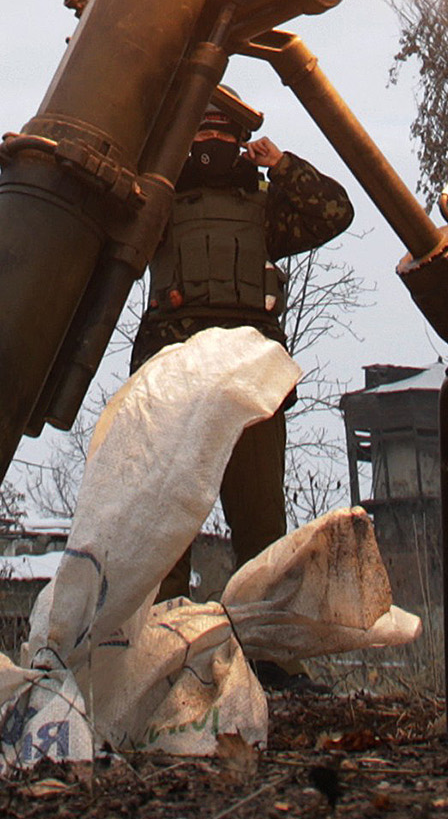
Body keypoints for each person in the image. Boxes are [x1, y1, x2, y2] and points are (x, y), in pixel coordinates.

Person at [132, 86, 354, 608]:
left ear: (242, 141)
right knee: (164, 527)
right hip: (176, 374)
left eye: (222, 134)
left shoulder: (264, 207)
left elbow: (334, 212)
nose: (211, 144)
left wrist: (281, 166)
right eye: (201, 132)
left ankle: (268, 651)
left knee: (260, 527)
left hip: (250, 376)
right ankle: (159, 650)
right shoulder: (157, 204)